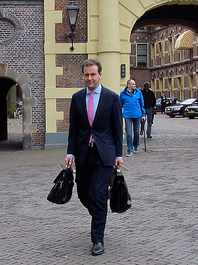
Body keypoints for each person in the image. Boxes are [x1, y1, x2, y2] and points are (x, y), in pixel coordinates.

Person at [65, 59, 123, 256]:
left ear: (100, 75)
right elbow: (74, 128)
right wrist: (70, 152)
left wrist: (118, 154)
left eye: (93, 74)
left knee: (98, 196)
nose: (89, 78)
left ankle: (97, 239)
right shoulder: (77, 97)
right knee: (83, 194)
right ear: (83, 76)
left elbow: (117, 128)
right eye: (86, 75)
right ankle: (99, 213)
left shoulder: (112, 97)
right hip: (83, 153)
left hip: (103, 154)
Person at [119, 78, 145, 156]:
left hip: (137, 114)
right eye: (133, 84)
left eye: (135, 84)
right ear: (129, 85)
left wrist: (143, 114)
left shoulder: (138, 92)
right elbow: (120, 105)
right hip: (128, 115)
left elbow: (142, 104)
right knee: (129, 133)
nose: (135, 85)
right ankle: (129, 149)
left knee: (136, 132)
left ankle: (136, 146)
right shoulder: (123, 94)